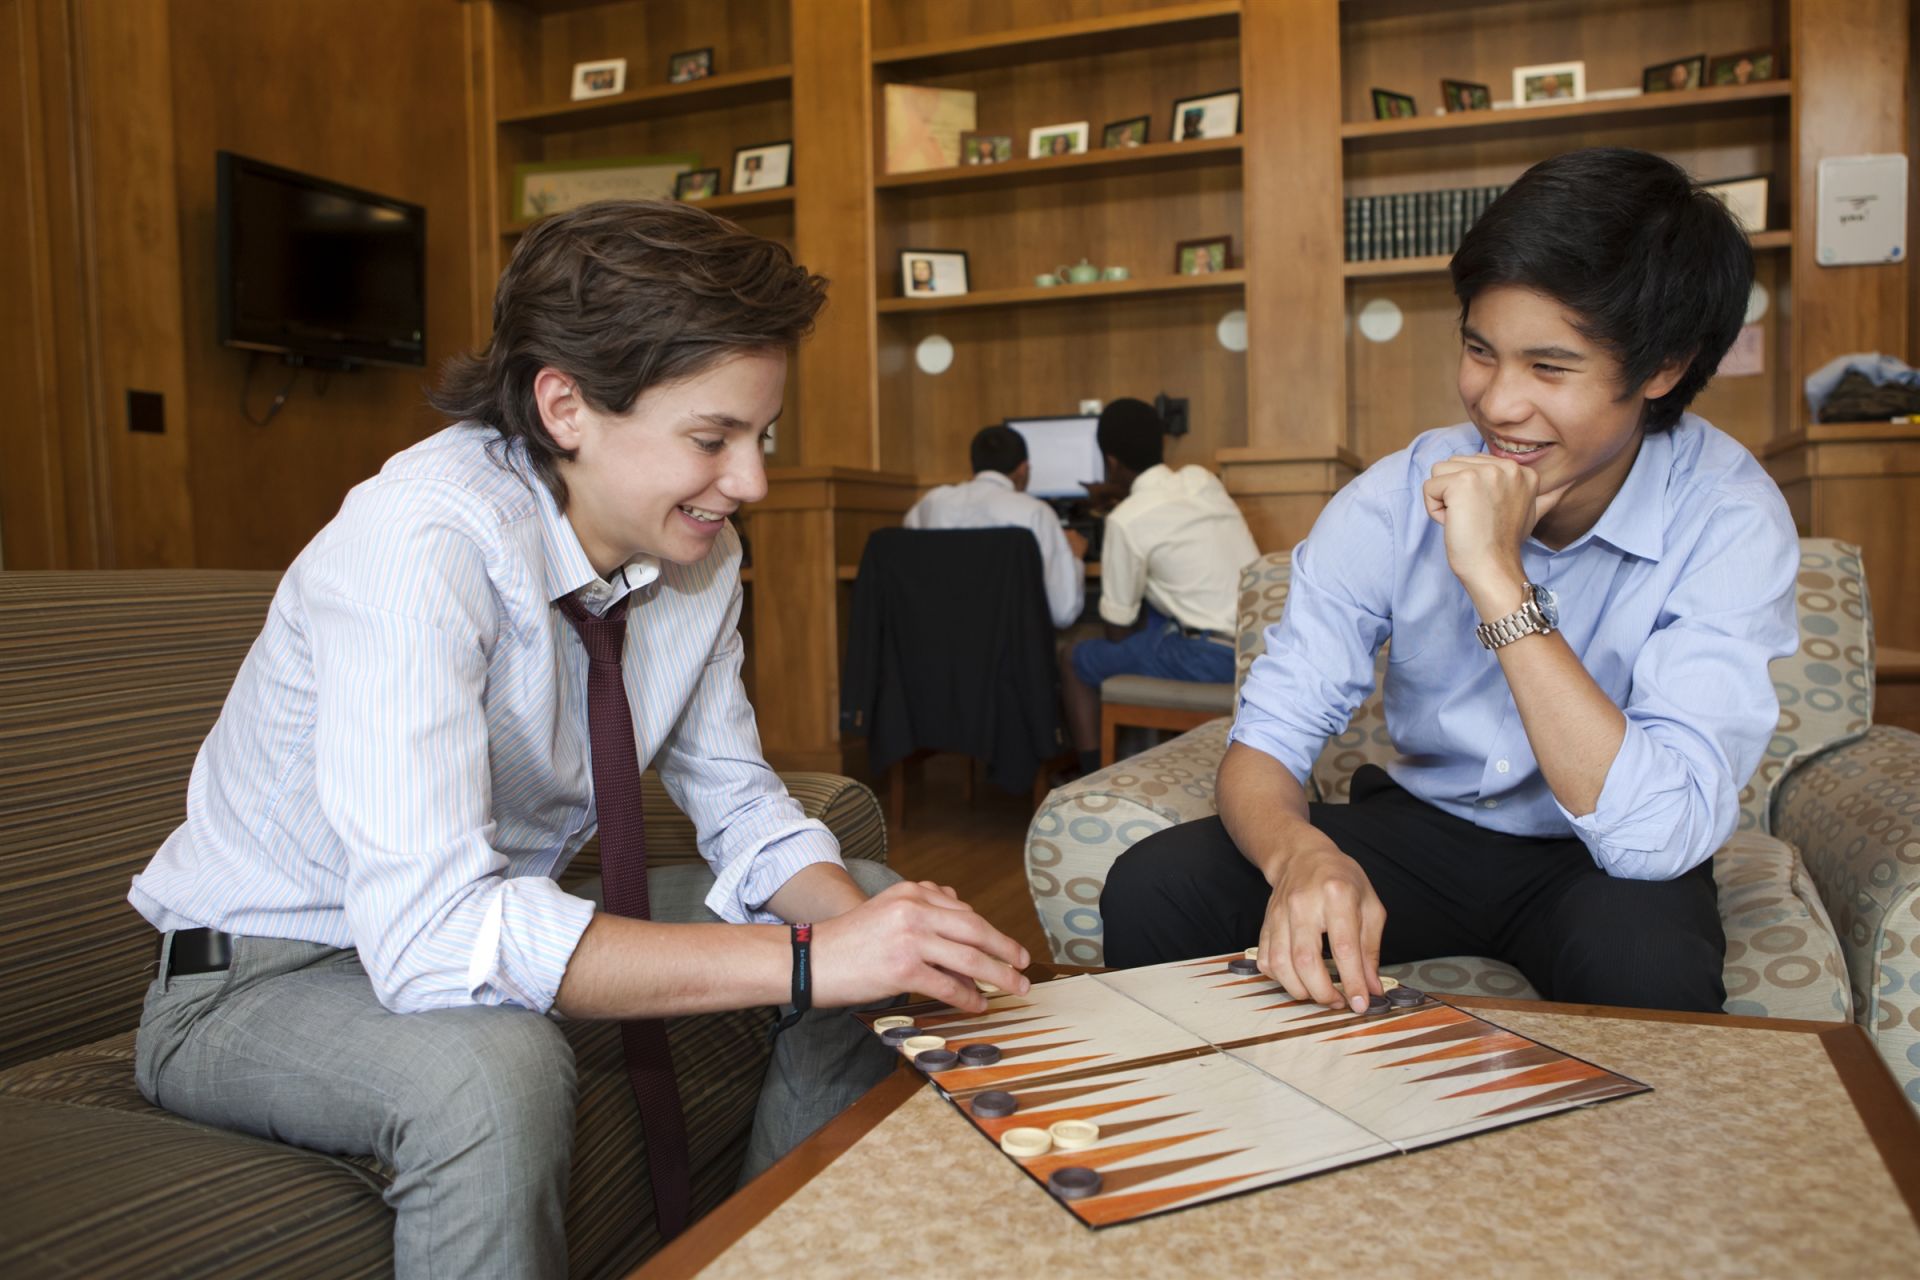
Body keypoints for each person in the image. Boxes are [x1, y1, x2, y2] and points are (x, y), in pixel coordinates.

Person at [126, 200, 1030, 1278]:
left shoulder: (701, 552)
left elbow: (740, 801)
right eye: (712, 438)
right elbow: (429, 938)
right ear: (565, 404)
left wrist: (870, 935)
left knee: (868, 892)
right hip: (259, 975)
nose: (751, 482)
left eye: (762, 435)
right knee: (491, 1070)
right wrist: (808, 956)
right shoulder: (417, 543)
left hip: (475, 914)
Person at [1100, 147, 1797, 1020]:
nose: (1497, 404)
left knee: (1647, 963)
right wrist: (1298, 857)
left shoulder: (1729, 519)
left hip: (1597, 849)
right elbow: (1267, 739)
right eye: (1479, 350)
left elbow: (1656, 838)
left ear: (1661, 369)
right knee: (1157, 887)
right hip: (1421, 830)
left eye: (1549, 368)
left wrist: (1496, 577)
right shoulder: (1393, 496)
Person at [1060, 398, 1258, 775]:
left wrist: (1118, 509)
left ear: (1111, 462)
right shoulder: (1204, 480)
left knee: (1073, 658)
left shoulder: (1125, 520)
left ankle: (1088, 774)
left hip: (1205, 657)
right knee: (1155, 611)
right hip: (1255, 645)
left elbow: (1117, 631)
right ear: (1161, 445)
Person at [903, 425, 1088, 629]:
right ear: (1023, 469)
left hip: (937, 641)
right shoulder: (1035, 512)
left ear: (974, 466)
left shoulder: (931, 502)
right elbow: (1062, 613)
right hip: (1010, 650)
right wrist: (1075, 558)